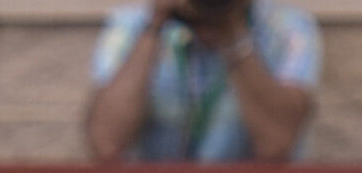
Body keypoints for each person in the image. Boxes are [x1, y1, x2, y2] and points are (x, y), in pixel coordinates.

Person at [84, 0, 318, 162]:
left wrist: (233, 35)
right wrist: (154, 27)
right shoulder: (132, 26)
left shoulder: (286, 28)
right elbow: (107, 145)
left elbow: (277, 145)